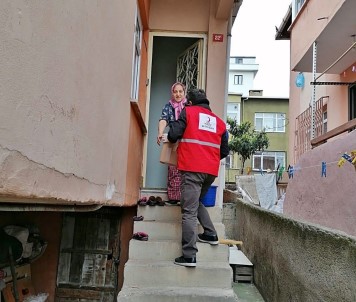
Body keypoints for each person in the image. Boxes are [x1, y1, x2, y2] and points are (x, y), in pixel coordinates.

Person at [167, 88, 229, 267]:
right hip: (210, 171)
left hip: (192, 168)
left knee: (188, 210)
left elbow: (172, 135)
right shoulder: (219, 122)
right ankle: (210, 233)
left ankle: (189, 255)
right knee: (196, 202)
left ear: (190, 102)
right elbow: (224, 151)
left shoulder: (189, 112)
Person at [157, 82, 187, 205]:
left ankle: (185, 198)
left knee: (185, 169)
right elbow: (163, 119)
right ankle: (174, 198)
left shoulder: (189, 106)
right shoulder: (168, 106)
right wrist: (160, 132)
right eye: (175, 92)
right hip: (173, 139)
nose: (178, 94)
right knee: (173, 167)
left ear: (184, 93)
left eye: (180, 91)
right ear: (172, 93)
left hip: (186, 141)